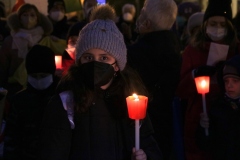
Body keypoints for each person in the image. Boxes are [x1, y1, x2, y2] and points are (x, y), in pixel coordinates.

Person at [39, 4, 162, 160]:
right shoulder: (66, 103)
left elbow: (149, 146)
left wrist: (146, 157)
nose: (95, 64)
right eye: (89, 57)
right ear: (80, 61)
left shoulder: (132, 102)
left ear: (117, 64)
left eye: (104, 58)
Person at [175, 0, 240, 159]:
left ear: (229, 27)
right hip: (198, 119)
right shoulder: (193, 50)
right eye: (213, 23)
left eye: (222, 24)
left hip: (229, 123)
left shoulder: (236, 50)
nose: (217, 28)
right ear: (205, 24)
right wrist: (195, 74)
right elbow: (180, 90)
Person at [127, 0, 182, 159]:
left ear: (148, 23)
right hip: (168, 122)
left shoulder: (137, 53)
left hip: (143, 124)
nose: (140, 15)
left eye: (143, 11)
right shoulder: (175, 48)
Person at [3, 45, 58, 160]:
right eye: (34, 76)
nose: (38, 80)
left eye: (43, 76)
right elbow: (12, 138)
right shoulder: (19, 101)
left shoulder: (61, 98)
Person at [0, 3, 53, 99]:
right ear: (19, 18)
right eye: (25, 15)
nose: (28, 18)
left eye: (32, 15)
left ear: (38, 18)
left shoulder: (45, 39)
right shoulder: (10, 41)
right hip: (15, 89)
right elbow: (3, 67)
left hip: (41, 87)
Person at [196, 55, 240, 160]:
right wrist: (203, 128)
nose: (229, 85)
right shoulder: (218, 108)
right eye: (226, 81)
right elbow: (205, 145)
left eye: (235, 81)